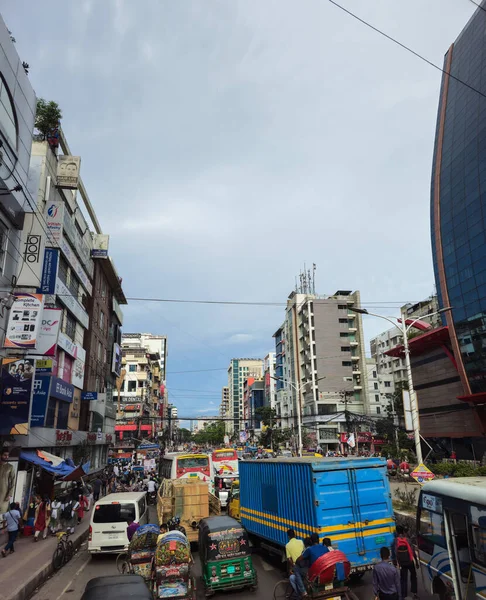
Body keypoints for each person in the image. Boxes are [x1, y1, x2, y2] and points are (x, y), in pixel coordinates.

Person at [394, 525, 418, 599]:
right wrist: (416, 562)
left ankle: (404, 595)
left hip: (402, 563)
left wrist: (396, 563)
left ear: (397, 532)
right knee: (413, 576)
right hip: (410, 561)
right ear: (403, 531)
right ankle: (414, 593)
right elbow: (413, 551)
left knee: (403, 579)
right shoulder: (407, 539)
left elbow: (395, 553)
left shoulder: (395, 541)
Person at [286, 529, 305, 596]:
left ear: (288, 536)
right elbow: (304, 552)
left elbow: (289, 559)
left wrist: (292, 567)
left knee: (292, 578)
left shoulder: (288, 545)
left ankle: (300, 594)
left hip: (297, 566)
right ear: (295, 535)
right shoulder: (301, 542)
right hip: (304, 565)